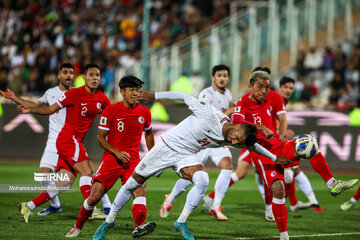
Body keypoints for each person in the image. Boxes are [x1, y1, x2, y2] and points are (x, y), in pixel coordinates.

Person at [93, 90, 292, 240]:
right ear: (236, 125)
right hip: (167, 146)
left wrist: (274, 159)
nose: (232, 143)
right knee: (132, 184)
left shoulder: (236, 136)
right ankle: (109, 222)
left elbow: (254, 146)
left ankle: (181, 222)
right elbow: (184, 96)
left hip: (186, 156)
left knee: (203, 178)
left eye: (236, 142)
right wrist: (155, 95)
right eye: (235, 138)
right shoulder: (209, 115)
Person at [230, 69, 358, 240]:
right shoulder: (243, 103)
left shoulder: (270, 99)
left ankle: (332, 184)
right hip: (262, 153)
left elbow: (280, 117)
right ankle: (284, 236)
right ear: (250, 87)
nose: (264, 91)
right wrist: (259, 128)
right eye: (260, 87)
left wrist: (281, 132)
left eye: (267, 87)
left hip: (279, 145)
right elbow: (236, 121)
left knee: (310, 144)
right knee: (279, 190)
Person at [1, 63, 112, 218]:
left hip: (74, 141)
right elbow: (49, 109)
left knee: (65, 183)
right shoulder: (73, 93)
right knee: (88, 171)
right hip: (68, 139)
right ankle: (91, 210)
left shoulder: (102, 98)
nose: (95, 78)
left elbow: (111, 115)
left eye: (97, 75)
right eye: (91, 75)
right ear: (84, 77)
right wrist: (29, 108)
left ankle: (28, 206)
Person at [65, 75, 156, 238]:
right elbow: (100, 138)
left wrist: (153, 155)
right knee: (94, 197)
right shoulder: (110, 111)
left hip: (133, 161)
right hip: (112, 160)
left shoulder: (144, 112)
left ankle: (138, 227)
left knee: (140, 192)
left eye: (137, 90)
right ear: (122, 91)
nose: (135, 94)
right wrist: (116, 152)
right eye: (132, 90)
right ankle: (77, 227)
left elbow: (148, 133)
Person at [159, 64, 235, 221]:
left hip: (219, 140)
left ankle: (215, 205)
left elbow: (227, 111)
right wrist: (229, 112)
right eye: (219, 75)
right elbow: (205, 116)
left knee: (227, 166)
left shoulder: (228, 93)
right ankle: (171, 198)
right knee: (191, 176)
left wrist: (235, 108)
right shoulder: (206, 94)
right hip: (203, 139)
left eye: (225, 75)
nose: (222, 78)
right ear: (213, 78)